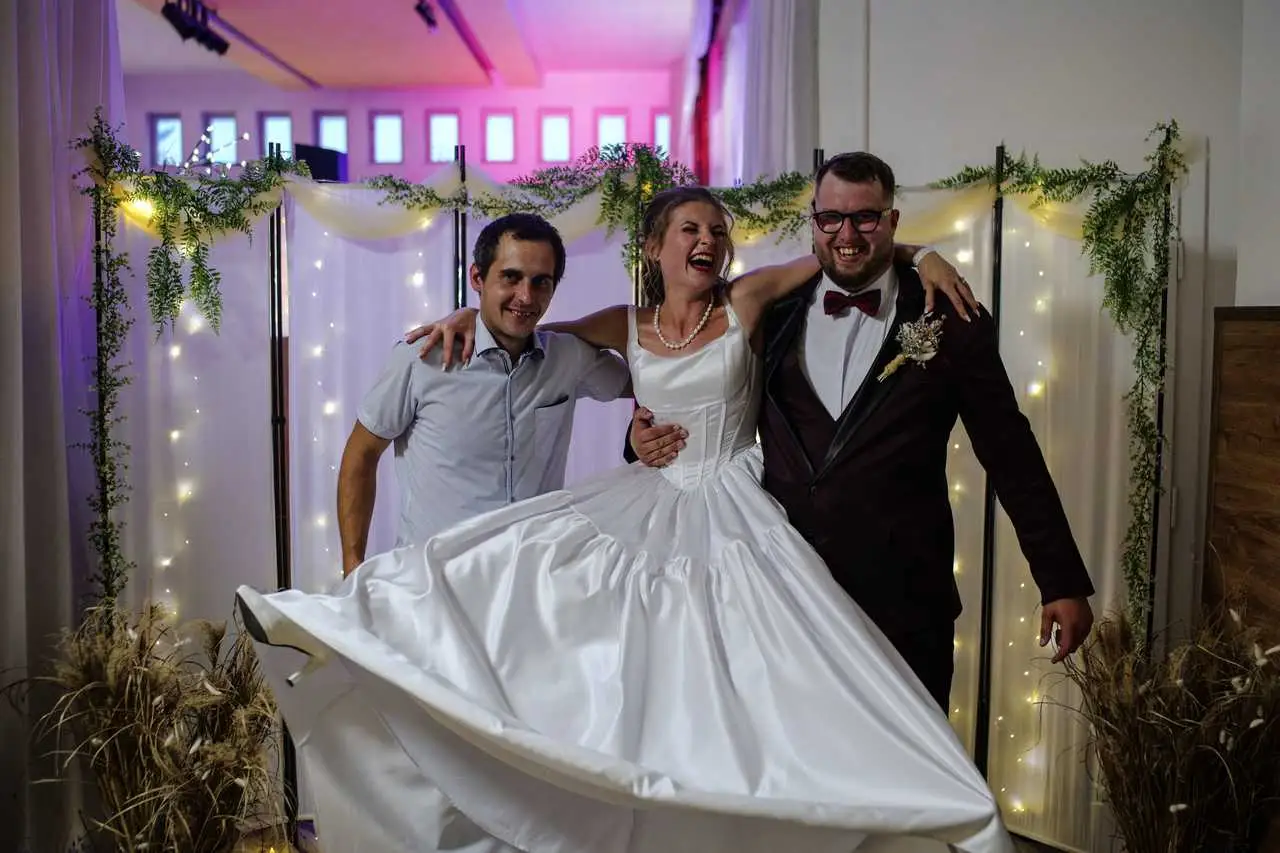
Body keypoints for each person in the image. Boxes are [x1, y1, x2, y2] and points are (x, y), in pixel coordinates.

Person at [237, 186, 1015, 853]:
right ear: (654, 247)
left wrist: (920, 254)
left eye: (718, 230)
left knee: (746, 678)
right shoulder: (606, 326)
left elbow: (842, 257)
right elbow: (529, 332)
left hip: (733, 507)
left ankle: (746, 811)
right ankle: (332, 622)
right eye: (690, 228)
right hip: (629, 509)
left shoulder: (740, 301)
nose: (707, 239)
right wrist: (468, 314)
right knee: (568, 670)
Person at [631, 153, 1096, 711]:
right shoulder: (769, 312)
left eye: (865, 218)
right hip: (781, 598)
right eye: (831, 218)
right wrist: (638, 440)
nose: (846, 235)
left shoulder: (948, 316)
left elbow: (1009, 451)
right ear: (814, 222)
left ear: (892, 221)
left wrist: (1060, 580)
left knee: (913, 763)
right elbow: (698, 397)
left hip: (904, 606)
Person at [335, 212, 631, 576]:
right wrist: (352, 566)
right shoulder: (421, 358)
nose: (526, 296)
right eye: (511, 277)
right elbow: (362, 453)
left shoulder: (568, 358)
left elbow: (651, 379)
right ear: (477, 277)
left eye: (541, 282)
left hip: (530, 578)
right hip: (432, 582)